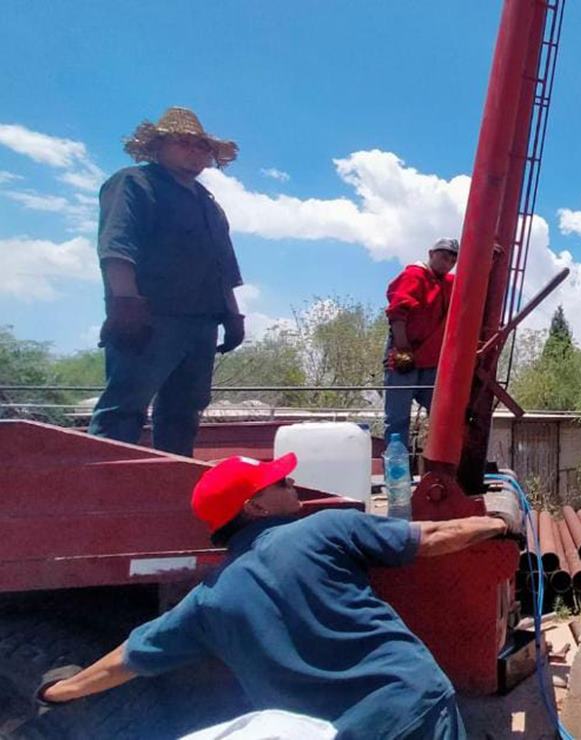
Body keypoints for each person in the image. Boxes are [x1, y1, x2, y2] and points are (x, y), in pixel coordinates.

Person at [35, 452, 523, 739]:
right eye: (281, 482)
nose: (293, 485)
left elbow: (127, 659)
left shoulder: (206, 604)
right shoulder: (326, 529)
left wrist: (57, 693)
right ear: (255, 505)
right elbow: (433, 537)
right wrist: (499, 520)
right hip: (413, 705)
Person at [87, 107, 246, 457]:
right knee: (124, 407)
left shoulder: (209, 205)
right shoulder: (134, 183)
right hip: (150, 318)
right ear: (159, 146)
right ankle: (100, 492)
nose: (195, 151)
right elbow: (116, 247)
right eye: (183, 142)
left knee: (184, 412)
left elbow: (223, 266)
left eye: (202, 146)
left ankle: (174, 487)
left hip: (202, 323)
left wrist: (232, 316)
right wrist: (126, 304)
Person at [383, 238, 458, 446]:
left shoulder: (447, 283)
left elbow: (474, 280)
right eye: (444, 256)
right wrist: (403, 350)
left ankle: (438, 461)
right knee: (398, 418)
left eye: (453, 259)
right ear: (431, 253)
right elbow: (398, 313)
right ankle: (396, 473)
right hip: (406, 351)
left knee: (442, 414)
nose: (448, 262)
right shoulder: (415, 275)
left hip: (430, 359)